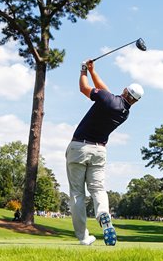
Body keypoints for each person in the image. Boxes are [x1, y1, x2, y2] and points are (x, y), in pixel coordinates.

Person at [66, 60, 144, 246]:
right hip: (100, 151)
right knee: (98, 188)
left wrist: (83, 70)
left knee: (77, 193)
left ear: (125, 91)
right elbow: (106, 93)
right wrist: (94, 71)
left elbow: (84, 89)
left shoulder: (109, 100)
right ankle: (103, 215)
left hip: (79, 147)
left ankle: (84, 237)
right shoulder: (124, 111)